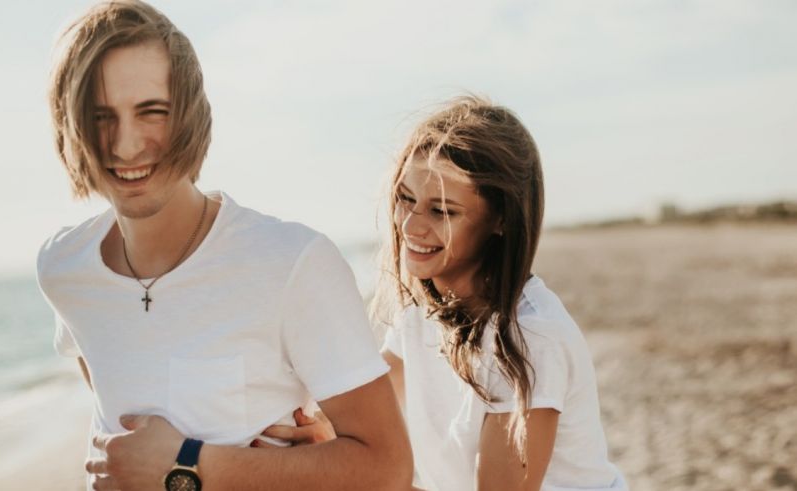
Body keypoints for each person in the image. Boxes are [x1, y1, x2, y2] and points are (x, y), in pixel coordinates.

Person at [36, 1, 412, 490]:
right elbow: (113, 391)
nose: (124, 145)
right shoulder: (62, 267)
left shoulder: (292, 263)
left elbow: (388, 469)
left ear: (189, 115)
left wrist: (187, 466)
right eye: (100, 116)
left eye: (152, 112)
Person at [260, 96, 628, 490]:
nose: (411, 227)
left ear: (501, 218)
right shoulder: (421, 314)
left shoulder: (531, 338)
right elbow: (359, 416)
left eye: (442, 211)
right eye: (406, 199)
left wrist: (354, 472)